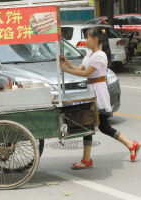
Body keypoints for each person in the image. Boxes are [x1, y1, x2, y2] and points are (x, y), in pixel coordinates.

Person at [59, 27, 140, 169]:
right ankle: (129, 145)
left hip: (98, 91)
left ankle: (89, 158)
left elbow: (86, 74)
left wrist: (66, 70)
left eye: (87, 37)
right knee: (90, 124)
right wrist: (67, 62)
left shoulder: (100, 55)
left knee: (97, 125)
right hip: (91, 90)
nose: (85, 40)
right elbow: (80, 69)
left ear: (95, 39)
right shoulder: (89, 55)